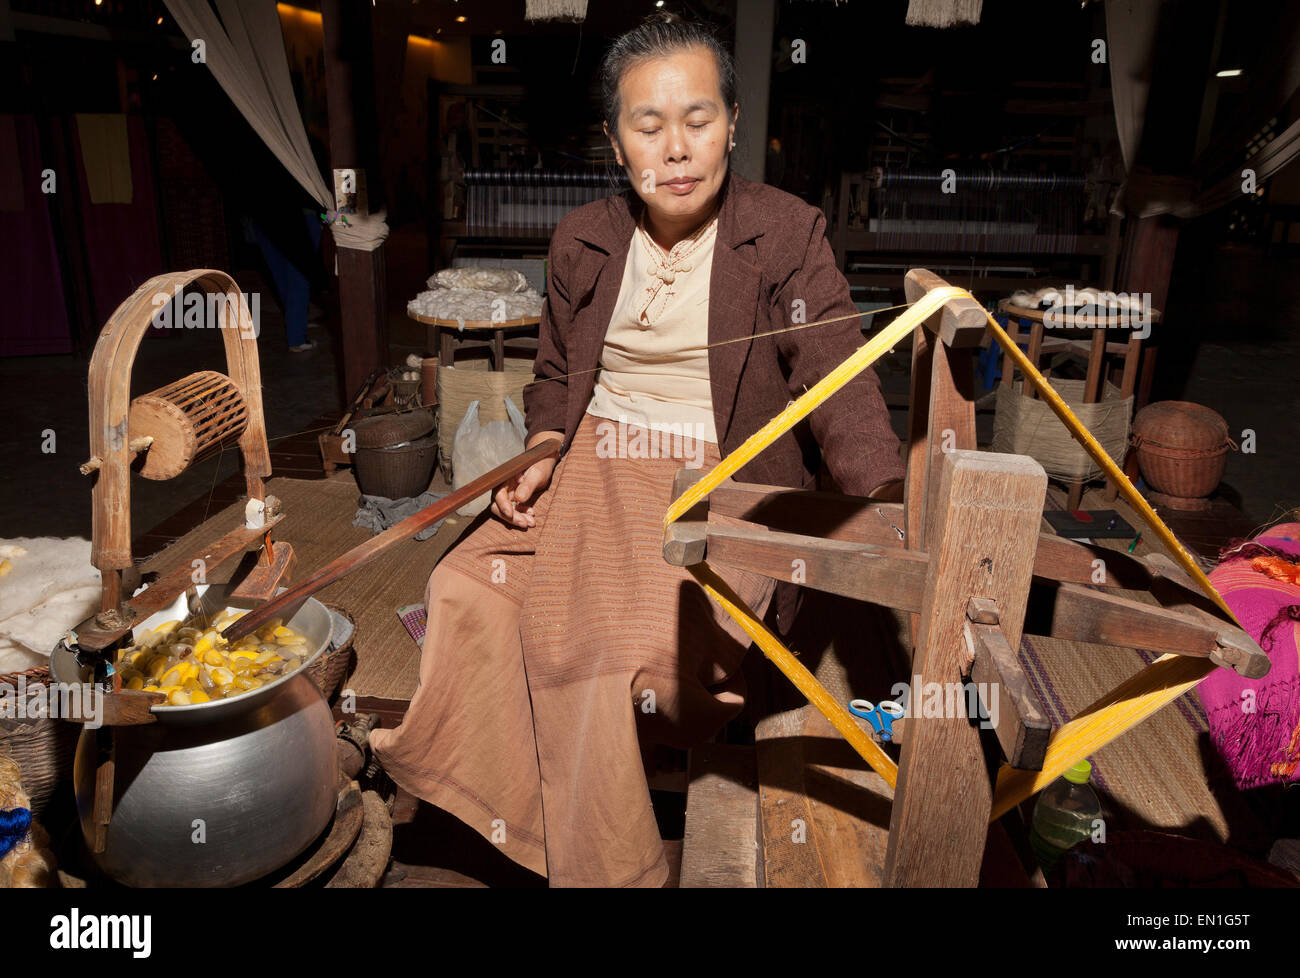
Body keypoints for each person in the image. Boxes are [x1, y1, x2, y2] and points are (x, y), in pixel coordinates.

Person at [368, 12, 905, 887]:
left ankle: (607, 865)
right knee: (466, 592)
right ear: (617, 144)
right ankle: (526, 825)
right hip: (590, 473)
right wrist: (544, 448)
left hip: (710, 483)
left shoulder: (786, 233)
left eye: (698, 119)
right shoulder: (583, 238)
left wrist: (881, 498)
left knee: (613, 652)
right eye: (648, 126)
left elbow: (837, 378)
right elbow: (552, 375)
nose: (677, 148)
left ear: (733, 121)